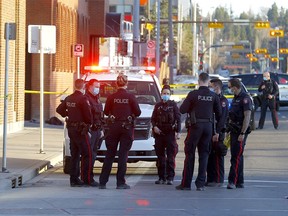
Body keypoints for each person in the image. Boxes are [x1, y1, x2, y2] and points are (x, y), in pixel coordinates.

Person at [175, 72, 222, 191]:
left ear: (199, 81)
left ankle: (186, 184)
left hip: (195, 127)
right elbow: (219, 113)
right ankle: (200, 184)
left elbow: (182, 109)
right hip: (208, 127)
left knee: (190, 153)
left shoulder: (193, 94)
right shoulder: (213, 96)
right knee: (204, 154)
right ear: (208, 81)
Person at [99, 73, 141, 189]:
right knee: (123, 155)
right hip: (126, 128)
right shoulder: (131, 97)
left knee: (110, 155)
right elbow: (138, 112)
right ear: (127, 84)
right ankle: (120, 183)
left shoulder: (111, 97)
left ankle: (103, 182)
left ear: (116, 84)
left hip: (113, 127)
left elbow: (106, 112)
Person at [56, 79, 97, 187]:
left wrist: (68, 114)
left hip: (71, 130)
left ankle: (73, 179)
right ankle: (88, 179)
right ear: (83, 87)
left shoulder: (69, 98)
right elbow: (88, 117)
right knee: (87, 154)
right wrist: (90, 124)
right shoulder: (83, 99)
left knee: (74, 155)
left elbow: (59, 110)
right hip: (81, 130)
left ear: (75, 86)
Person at [151, 86, 181, 185]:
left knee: (170, 156)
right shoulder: (157, 106)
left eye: (167, 93)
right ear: (161, 94)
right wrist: (154, 127)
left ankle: (170, 177)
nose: (166, 95)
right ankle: (161, 177)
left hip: (170, 134)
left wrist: (178, 132)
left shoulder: (173, 105)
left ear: (170, 94)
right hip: (159, 134)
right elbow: (153, 119)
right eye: (164, 93)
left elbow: (178, 118)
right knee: (160, 157)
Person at [226, 78, 253, 189]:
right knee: (238, 156)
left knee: (235, 157)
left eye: (229, 87)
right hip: (234, 129)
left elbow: (247, 117)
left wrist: (242, 133)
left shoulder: (245, 99)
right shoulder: (236, 98)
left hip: (240, 131)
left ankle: (232, 181)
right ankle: (239, 181)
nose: (229, 89)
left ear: (235, 87)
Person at [206, 79, 229, 187]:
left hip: (218, 132)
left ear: (216, 87)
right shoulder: (212, 99)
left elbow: (222, 119)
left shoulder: (223, 101)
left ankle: (219, 180)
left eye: (211, 86)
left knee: (218, 156)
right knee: (210, 156)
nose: (209, 88)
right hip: (210, 131)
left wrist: (217, 132)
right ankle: (210, 179)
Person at [85, 79, 104, 180]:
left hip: (97, 130)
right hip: (91, 130)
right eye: (96, 86)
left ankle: (89, 177)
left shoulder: (97, 98)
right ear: (89, 86)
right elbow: (88, 116)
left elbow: (99, 115)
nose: (98, 88)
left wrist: (101, 129)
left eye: (98, 86)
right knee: (89, 155)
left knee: (93, 154)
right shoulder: (87, 99)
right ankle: (88, 178)